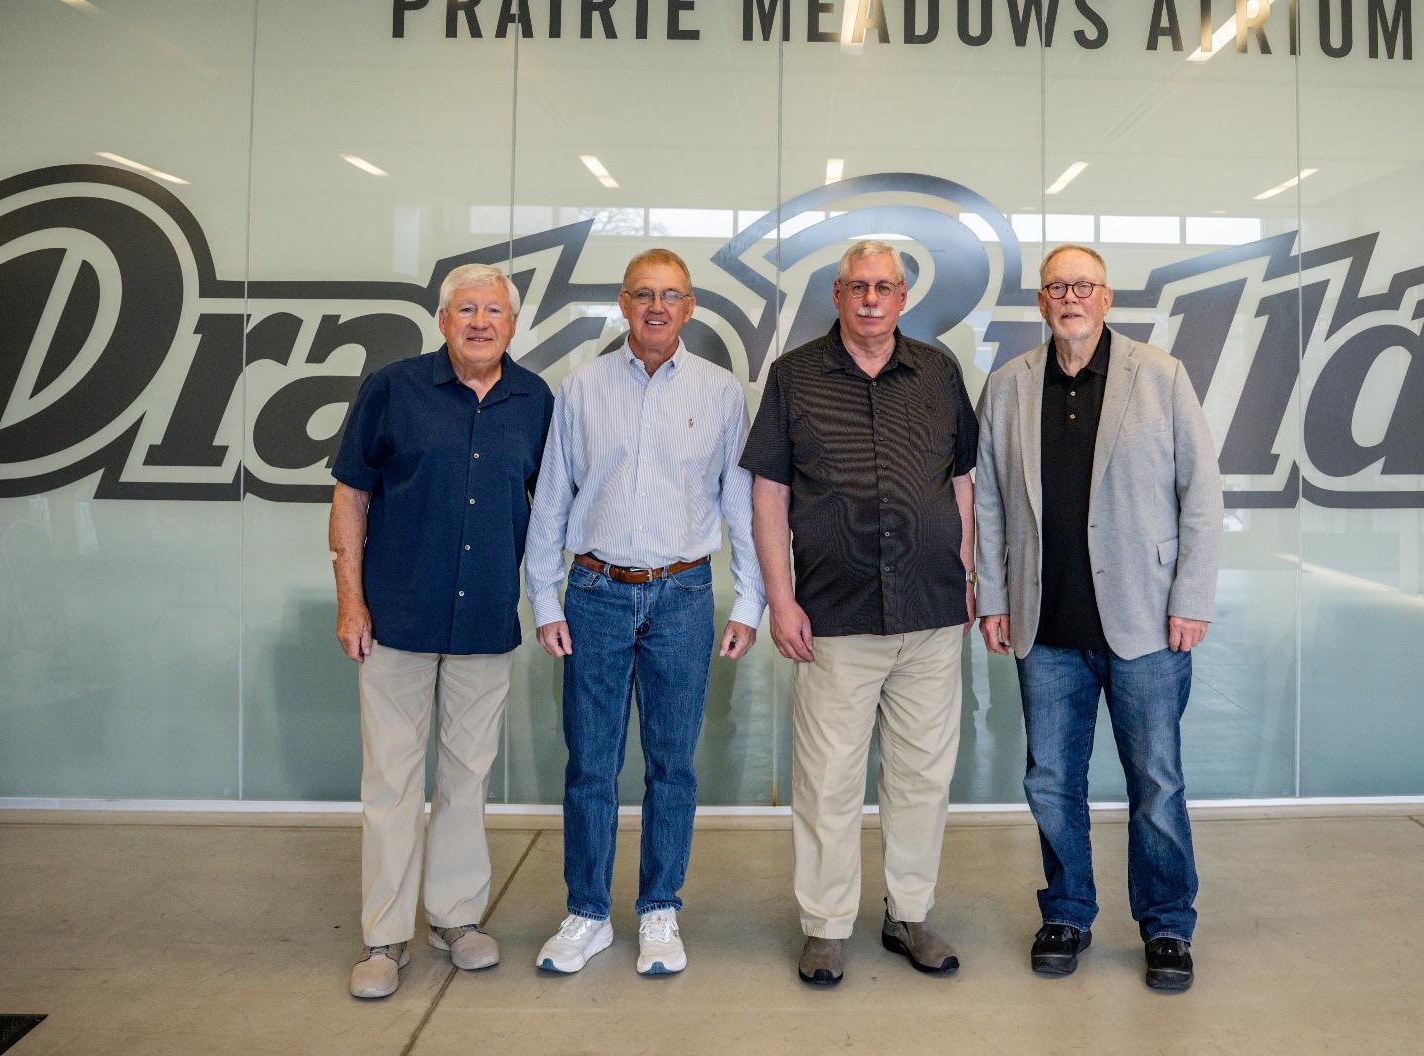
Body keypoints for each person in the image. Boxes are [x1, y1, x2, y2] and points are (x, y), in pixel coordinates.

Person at [974, 244, 1222, 989]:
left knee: (1157, 781)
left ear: (1107, 298)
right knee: (1051, 780)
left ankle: (1168, 925)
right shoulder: (1009, 386)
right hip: (1044, 626)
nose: (1070, 297)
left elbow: (1202, 495)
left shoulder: (1161, 376)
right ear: (1043, 303)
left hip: (1147, 623)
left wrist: (1192, 599)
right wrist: (991, 596)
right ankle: (1068, 911)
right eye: (1057, 287)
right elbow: (987, 501)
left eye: (1084, 285)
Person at [741, 239, 978, 986]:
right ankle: (825, 924)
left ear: (903, 297)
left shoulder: (938, 373)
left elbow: (962, 479)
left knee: (920, 777)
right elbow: (769, 494)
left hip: (932, 613)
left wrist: (967, 574)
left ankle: (908, 914)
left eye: (885, 287)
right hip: (835, 618)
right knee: (828, 781)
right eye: (857, 287)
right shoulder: (794, 377)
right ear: (838, 296)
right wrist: (781, 600)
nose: (872, 299)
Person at [524, 249, 765, 976]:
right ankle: (587, 913)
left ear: (689, 309)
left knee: (672, 766)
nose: (656, 307)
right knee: (590, 764)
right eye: (642, 295)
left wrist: (748, 599)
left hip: (684, 597)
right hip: (594, 593)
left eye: (671, 296)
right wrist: (542, 596)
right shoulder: (581, 388)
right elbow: (552, 502)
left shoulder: (722, 392)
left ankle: (660, 909)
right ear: (623, 306)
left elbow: (740, 503)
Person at [330, 262, 554, 999]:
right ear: (442, 319)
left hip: (486, 621)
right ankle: (384, 937)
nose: (480, 321)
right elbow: (350, 499)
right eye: (466, 309)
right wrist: (351, 603)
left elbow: (547, 512)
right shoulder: (393, 390)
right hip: (396, 617)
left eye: (494, 310)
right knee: (391, 782)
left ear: (513, 325)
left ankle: (455, 919)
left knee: (466, 778)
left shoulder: (535, 400)